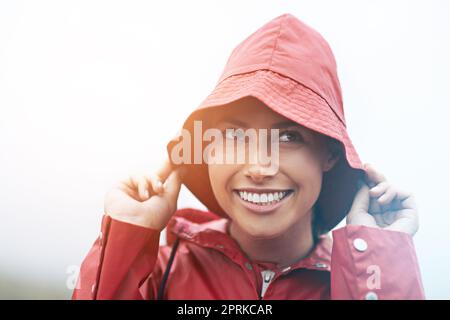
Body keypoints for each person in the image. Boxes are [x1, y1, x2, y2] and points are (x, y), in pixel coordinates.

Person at [72, 13, 424, 300]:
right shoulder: (158, 275)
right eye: (234, 135)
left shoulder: (359, 283)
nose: (258, 168)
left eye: (289, 136)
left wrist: (380, 262)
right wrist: (125, 239)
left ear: (330, 153)